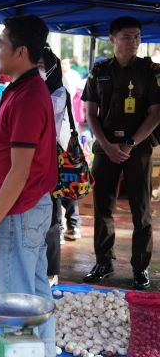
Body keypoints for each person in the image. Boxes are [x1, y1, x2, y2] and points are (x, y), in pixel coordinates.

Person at [0, 14, 57, 357]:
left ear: (21, 51)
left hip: (19, 212)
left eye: (2, 45)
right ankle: (44, 352)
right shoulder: (22, 88)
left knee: (16, 301)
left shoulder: (30, 96)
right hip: (28, 207)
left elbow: (19, 172)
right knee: (35, 294)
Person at [81, 16, 160, 290]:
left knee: (141, 210)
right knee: (102, 207)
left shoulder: (150, 70)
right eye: (127, 36)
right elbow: (91, 112)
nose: (134, 42)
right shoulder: (100, 69)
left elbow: (156, 114)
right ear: (112, 38)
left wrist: (130, 145)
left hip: (137, 149)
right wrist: (106, 144)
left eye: (137, 36)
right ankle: (103, 262)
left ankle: (140, 268)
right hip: (105, 148)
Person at [38, 46, 69, 287]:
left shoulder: (58, 94)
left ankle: (50, 271)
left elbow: (43, 112)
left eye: (41, 68)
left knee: (50, 220)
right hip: (27, 162)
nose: (37, 73)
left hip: (48, 163)